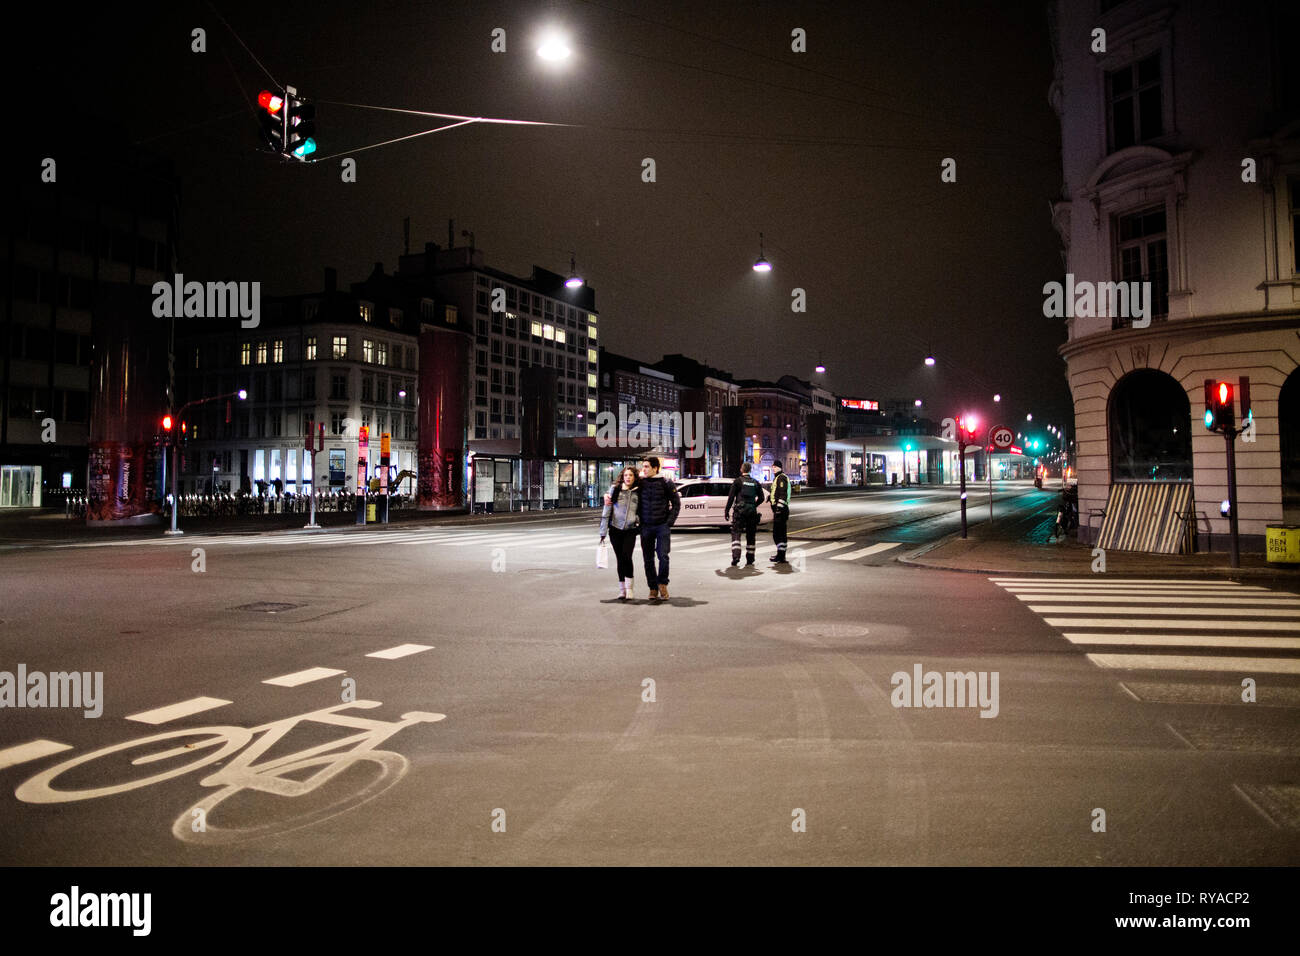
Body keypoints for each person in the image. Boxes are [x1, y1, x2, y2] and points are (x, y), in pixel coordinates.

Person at [636, 456, 680, 601]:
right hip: (646, 526)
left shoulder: (666, 482)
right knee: (648, 559)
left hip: (662, 525)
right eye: (643, 466)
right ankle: (653, 588)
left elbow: (676, 503)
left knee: (663, 556)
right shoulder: (641, 483)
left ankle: (662, 584)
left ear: (655, 468)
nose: (644, 469)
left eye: (647, 466)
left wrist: (669, 522)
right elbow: (625, 489)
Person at [599, 466, 641, 600]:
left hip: (630, 530)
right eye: (626, 475)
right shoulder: (615, 490)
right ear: (622, 477)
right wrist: (603, 531)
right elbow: (606, 511)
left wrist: (638, 522)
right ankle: (622, 589)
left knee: (627, 557)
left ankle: (630, 589)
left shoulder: (638, 492)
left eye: (631, 475)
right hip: (615, 530)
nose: (628, 477)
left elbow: (641, 510)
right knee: (620, 559)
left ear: (635, 477)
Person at [725, 461, 766, 567]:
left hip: (740, 512)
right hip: (752, 512)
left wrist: (727, 510)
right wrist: (753, 505)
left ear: (742, 469)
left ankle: (736, 556)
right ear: (750, 470)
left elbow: (731, 497)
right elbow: (762, 498)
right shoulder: (756, 483)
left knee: (736, 533)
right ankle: (750, 559)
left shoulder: (738, 481)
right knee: (751, 535)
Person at [769, 459, 791, 563]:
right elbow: (777, 492)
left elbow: (783, 493)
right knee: (780, 533)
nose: (773, 468)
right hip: (780, 510)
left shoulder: (781, 478)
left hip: (781, 511)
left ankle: (781, 555)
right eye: (772, 467)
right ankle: (780, 555)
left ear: (779, 467)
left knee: (778, 534)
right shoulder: (778, 477)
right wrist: (770, 497)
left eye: (774, 467)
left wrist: (778, 508)